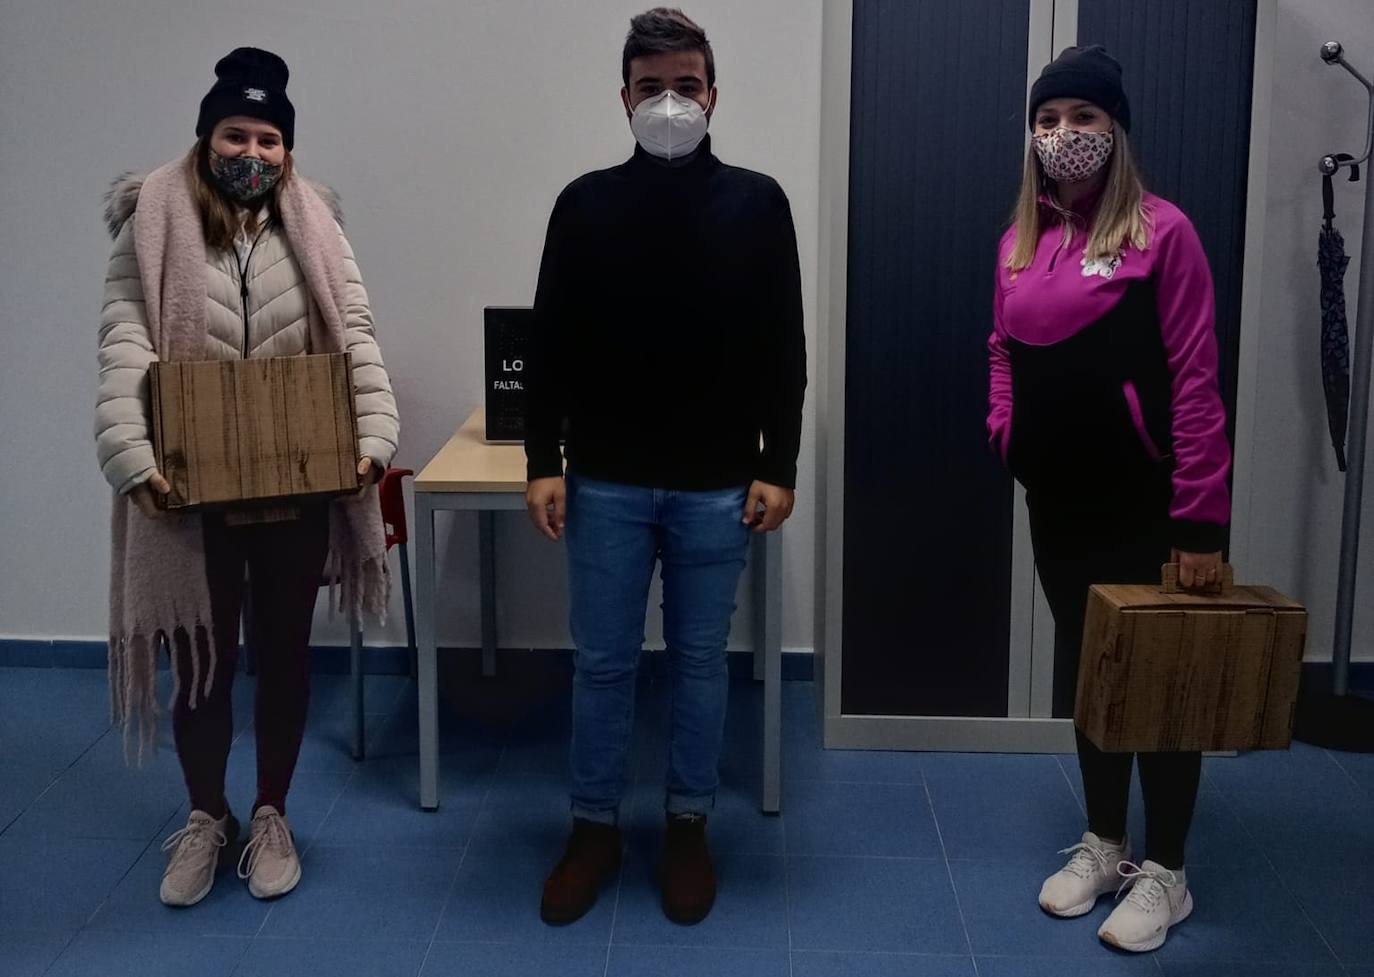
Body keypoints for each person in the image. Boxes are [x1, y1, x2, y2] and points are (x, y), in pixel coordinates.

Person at [96, 47, 399, 908]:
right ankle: (206, 815)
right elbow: (125, 341)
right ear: (207, 137)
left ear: (287, 149)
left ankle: (271, 812)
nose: (253, 153)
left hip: (295, 485)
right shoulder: (152, 221)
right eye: (237, 134)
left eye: (269, 139)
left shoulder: (316, 224)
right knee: (201, 661)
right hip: (188, 491)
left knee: (285, 654)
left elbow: (355, 334)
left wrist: (372, 439)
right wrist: (132, 459)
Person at [523, 8, 806, 928]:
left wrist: (779, 462)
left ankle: (688, 823)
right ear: (625, 97)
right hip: (604, 478)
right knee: (603, 664)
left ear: (714, 94)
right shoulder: (584, 203)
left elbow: (785, 345)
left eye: (687, 85)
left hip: (718, 482)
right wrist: (542, 460)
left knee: (698, 664)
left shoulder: (758, 203)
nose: (671, 103)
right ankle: (594, 826)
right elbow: (549, 341)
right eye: (652, 87)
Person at [986, 46, 1231, 953]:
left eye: (1083, 117)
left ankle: (1168, 870)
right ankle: (1104, 841)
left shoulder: (1164, 233)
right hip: (1060, 504)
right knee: (1094, 674)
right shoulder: (1019, 243)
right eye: (1048, 120)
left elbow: (1197, 381)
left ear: (1115, 129)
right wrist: (1007, 434)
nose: (1064, 135)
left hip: (1151, 505)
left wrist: (1201, 523)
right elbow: (1001, 352)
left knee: (1163, 683)